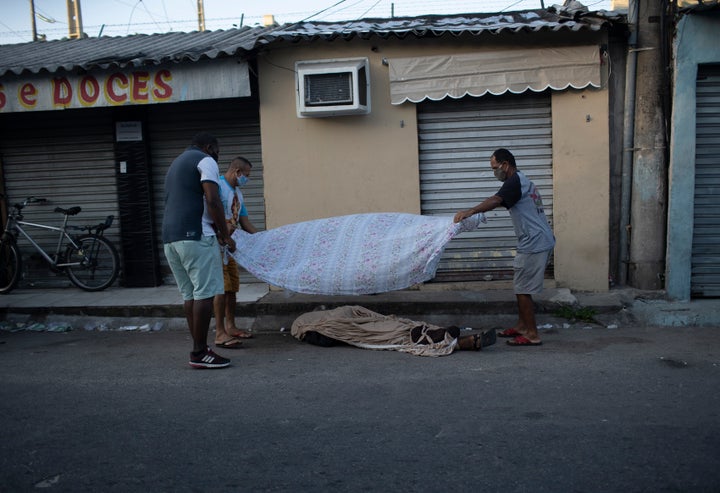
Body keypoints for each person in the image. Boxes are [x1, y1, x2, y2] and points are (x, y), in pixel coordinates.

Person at [454, 148, 555, 347]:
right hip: (535, 239)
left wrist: (471, 211)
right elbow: (501, 200)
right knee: (520, 286)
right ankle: (521, 326)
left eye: (495, 168)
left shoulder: (515, 181)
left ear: (505, 165)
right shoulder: (522, 181)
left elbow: (496, 199)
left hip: (535, 242)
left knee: (523, 288)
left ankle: (532, 334)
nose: (495, 172)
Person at [162, 132, 236, 369]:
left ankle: (199, 349)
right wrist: (225, 235)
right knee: (205, 294)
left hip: (170, 238)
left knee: (190, 295)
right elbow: (212, 199)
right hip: (196, 235)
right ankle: (199, 352)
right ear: (209, 147)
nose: (218, 155)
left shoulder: (175, 163)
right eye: (217, 150)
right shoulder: (205, 160)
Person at [291, 305, 497, 357]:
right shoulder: (308, 323)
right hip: (350, 325)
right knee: (399, 331)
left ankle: (454, 339)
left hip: (356, 323)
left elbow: (360, 315)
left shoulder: (305, 324)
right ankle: (461, 341)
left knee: (396, 331)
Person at [214, 157, 258, 349]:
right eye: (246, 175)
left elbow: (245, 222)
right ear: (237, 172)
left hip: (230, 247)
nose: (246, 179)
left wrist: (264, 239)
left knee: (231, 288)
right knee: (221, 289)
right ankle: (219, 331)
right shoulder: (217, 186)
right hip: (215, 245)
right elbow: (210, 211)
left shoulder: (238, 194)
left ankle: (231, 326)